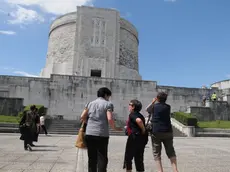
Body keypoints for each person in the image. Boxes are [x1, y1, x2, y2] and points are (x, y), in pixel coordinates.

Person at [80, 87, 122, 172]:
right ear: (106, 95)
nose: (108, 98)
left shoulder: (90, 103)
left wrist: (89, 124)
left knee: (92, 158)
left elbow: (82, 116)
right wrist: (115, 128)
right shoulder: (108, 104)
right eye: (108, 96)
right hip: (101, 134)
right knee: (102, 157)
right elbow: (110, 119)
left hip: (89, 133)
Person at [146, 92, 179, 172]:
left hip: (156, 131)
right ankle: (175, 170)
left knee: (156, 152)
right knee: (170, 150)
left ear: (157, 98)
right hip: (168, 131)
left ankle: (160, 170)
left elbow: (147, 109)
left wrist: (153, 102)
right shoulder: (168, 107)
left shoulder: (154, 106)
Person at [123, 99, 148, 172]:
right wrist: (143, 131)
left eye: (130, 105)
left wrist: (143, 129)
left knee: (128, 157)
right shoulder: (141, 115)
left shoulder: (132, 114)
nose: (129, 106)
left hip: (133, 138)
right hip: (141, 138)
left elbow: (138, 121)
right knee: (139, 158)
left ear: (133, 107)